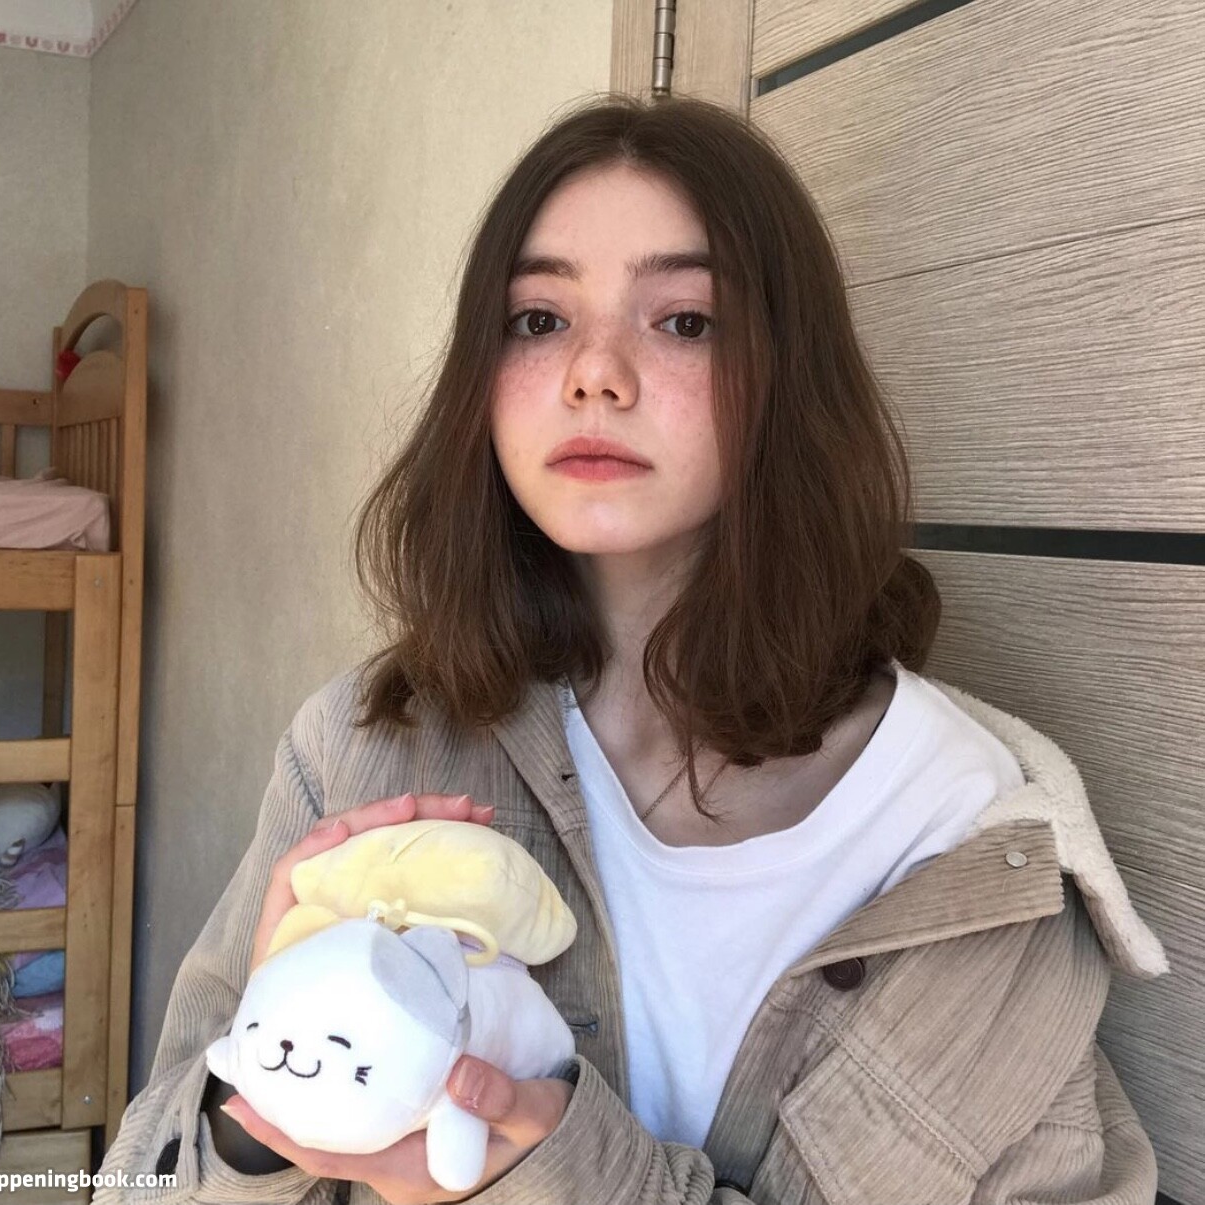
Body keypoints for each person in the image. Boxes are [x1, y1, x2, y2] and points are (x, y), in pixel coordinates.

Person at [97, 94, 1168, 1204]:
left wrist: (568, 1172)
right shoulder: (367, 747)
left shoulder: (964, 844)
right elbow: (139, 1182)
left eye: (685, 321)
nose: (594, 373)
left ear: (789, 375)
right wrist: (262, 1117)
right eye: (538, 319)